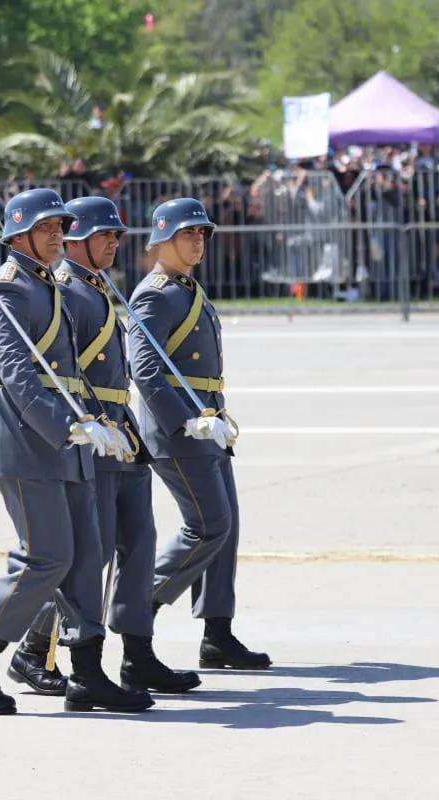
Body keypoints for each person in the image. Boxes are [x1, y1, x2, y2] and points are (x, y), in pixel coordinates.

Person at [0, 188, 152, 715]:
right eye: (48, 227)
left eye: (61, 226)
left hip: (71, 440)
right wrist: (67, 428)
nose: (59, 234)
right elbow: (18, 376)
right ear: (18, 235)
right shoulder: (6, 292)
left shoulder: (48, 284)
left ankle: (87, 674)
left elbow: (72, 370)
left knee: (86, 558)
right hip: (26, 443)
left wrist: (95, 423)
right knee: (45, 555)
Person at [7, 196, 201, 697]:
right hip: (92, 435)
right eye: (103, 236)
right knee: (84, 559)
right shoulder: (67, 290)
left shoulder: (97, 286)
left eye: (116, 236)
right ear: (74, 243)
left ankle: (139, 654)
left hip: (122, 430)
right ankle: (35, 650)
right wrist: (86, 427)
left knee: (138, 549)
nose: (114, 243)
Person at [127, 198, 271, 670]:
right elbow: (146, 369)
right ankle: (136, 604)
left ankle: (218, 634)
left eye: (203, 233)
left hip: (207, 423)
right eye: (189, 233)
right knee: (208, 525)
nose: (199, 240)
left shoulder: (187, 288)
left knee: (225, 530)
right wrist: (183, 419)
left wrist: (211, 417)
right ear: (163, 239)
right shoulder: (154, 293)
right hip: (178, 431)